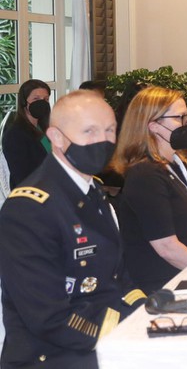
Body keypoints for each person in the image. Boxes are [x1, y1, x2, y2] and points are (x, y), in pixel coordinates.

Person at [0, 90, 146, 368]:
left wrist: (146, 313)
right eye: (89, 131)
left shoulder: (93, 191)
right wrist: (127, 333)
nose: (102, 140)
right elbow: (49, 319)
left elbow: (119, 279)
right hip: (55, 355)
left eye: (109, 130)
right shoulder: (29, 209)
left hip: (105, 337)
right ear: (56, 137)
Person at [111, 87, 187, 294]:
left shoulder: (177, 164)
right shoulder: (145, 175)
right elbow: (167, 248)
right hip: (164, 286)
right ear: (153, 126)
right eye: (179, 117)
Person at [2, 79, 52, 189]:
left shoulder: (45, 128)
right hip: (33, 192)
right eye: (36, 99)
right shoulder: (15, 135)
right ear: (24, 102)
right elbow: (22, 177)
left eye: (46, 99)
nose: (42, 103)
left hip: (53, 187)